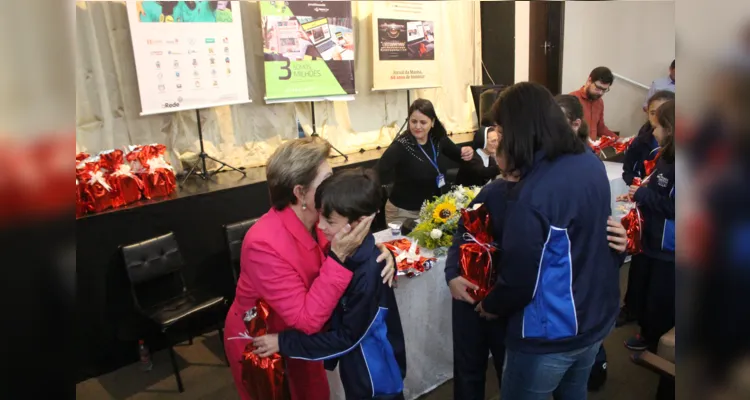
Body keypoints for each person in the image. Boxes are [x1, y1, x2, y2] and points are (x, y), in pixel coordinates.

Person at [472, 82, 624, 400]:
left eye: (500, 127)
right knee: (573, 392)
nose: (497, 135)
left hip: (552, 331)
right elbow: (604, 234)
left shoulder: (534, 193)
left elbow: (519, 279)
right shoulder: (587, 158)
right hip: (596, 314)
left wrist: (491, 305)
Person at [223, 137, 396, 400]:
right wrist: (338, 256)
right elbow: (306, 319)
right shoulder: (263, 243)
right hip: (264, 341)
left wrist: (380, 253)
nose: (333, 184)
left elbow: (349, 246)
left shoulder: (320, 218)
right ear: (300, 192)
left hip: (302, 338)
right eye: (326, 179)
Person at [253, 168, 407, 400]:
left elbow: (347, 338)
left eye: (330, 220)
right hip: (360, 364)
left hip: (374, 373)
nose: (321, 225)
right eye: (320, 214)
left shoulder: (367, 271)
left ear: (360, 223)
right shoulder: (354, 254)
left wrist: (283, 342)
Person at [617, 90, 675, 328]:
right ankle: (638, 318)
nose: (653, 131)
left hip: (667, 244)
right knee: (641, 279)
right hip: (649, 233)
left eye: (659, 126)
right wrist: (638, 194)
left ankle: (652, 337)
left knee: (659, 293)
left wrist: (643, 194)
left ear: (670, 129)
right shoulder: (665, 157)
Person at [376, 99, 474, 224]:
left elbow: (459, 154)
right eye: (413, 121)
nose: (417, 127)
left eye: (423, 122)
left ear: (432, 122)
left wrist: (468, 151)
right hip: (402, 214)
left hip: (431, 211)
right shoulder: (400, 146)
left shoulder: (438, 139)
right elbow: (377, 172)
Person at [570, 66, 618, 140]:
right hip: (577, 149)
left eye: (604, 90)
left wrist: (618, 139)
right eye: (598, 88)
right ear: (589, 80)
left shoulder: (600, 102)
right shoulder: (572, 98)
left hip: (592, 149)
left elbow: (600, 128)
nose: (600, 93)